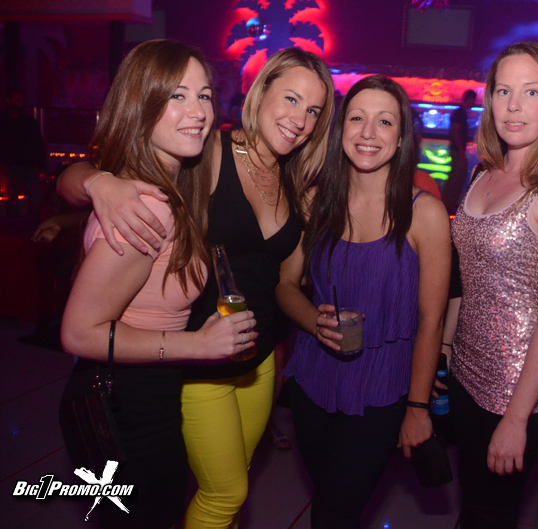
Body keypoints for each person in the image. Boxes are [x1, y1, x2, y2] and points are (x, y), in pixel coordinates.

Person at [57, 47, 335, 528]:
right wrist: (97, 181)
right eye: (291, 98)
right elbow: (84, 177)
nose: (300, 119)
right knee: (224, 492)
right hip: (194, 359)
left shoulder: (297, 181)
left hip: (257, 359)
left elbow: (285, 281)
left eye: (313, 110)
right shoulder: (205, 150)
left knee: (227, 486)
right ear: (260, 91)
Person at [275, 75, 451, 529]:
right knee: (332, 503)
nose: (368, 132)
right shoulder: (315, 200)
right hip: (313, 380)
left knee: (331, 515)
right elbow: (285, 285)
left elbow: (431, 321)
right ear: (340, 129)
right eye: (356, 118)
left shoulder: (424, 213)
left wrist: (417, 408)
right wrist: (313, 321)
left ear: (402, 137)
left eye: (384, 121)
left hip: (382, 386)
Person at [441, 42, 538, 529]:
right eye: (503, 91)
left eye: (531, 91)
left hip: (517, 388)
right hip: (466, 369)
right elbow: (465, 275)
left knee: (492, 514)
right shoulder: (484, 171)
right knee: (472, 500)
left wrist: (517, 418)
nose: (513, 105)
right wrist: (446, 346)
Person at [0, 90, 46, 217]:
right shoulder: (3, 122)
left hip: (28, 166)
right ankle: (13, 225)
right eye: (17, 100)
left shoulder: (29, 122)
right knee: (12, 201)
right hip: (9, 167)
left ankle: (33, 223)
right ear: (9, 101)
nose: (20, 103)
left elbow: (38, 144)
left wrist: (41, 166)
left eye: (21, 100)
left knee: (35, 199)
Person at [441, 89, 477, 213]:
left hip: (457, 149)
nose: (474, 103)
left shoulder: (460, 113)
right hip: (457, 150)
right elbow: (455, 132)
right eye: (473, 100)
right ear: (469, 99)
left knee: (458, 176)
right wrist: (461, 150)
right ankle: (448, 203)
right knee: (456, 177)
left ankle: (450, 202)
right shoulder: (459, 113)